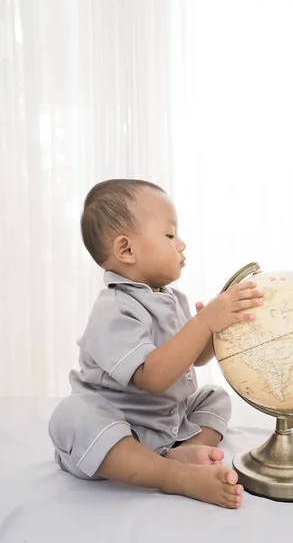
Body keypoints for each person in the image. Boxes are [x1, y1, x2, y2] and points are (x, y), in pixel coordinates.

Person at [48, 179, 264, 508]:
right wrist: (202, 323)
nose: (182, 244)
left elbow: (192, 360)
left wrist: (212, 332)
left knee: (215, 398)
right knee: (71, 415)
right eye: (169, 235)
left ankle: (173, 454)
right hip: (116, 428)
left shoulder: (173, 299)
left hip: (166, 422)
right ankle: (171, 474)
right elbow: (153, 376)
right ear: (127, 250)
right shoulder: (115, 308)